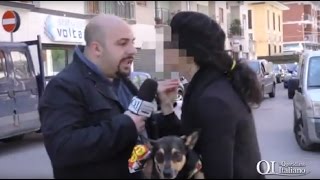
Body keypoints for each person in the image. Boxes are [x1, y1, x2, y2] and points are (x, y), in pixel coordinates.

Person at [38, 14, 180, 179]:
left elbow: (143, 133)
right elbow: (62, 148)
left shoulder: (121, 80)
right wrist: (126, 125)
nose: (133, 50)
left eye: (132, 42)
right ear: (97, 48)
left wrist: (166, 107)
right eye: (122, 43)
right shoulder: (64, 86)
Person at [167, 11, 265, 179]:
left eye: (168, 43)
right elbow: (188, 143)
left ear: (187, 51)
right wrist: (166, 107)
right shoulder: (208, 87)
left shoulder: (213, 100)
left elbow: (217, 171)